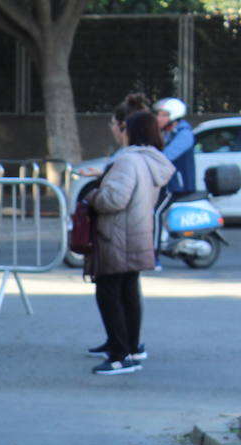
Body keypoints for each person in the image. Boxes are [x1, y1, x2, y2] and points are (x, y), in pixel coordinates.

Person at [85, 110, 174, 376]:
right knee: (128, 291)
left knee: (109, 292)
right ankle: (128, 346)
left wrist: (92, 194)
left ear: (132, 132)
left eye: (124, 128)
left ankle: (119, 355)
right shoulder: (151, 161)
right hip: (136, 231)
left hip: (117, 234)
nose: (121, 132)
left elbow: (114, 199)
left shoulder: (128, 161)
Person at [154, 96, 195, 195]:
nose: (158, 118)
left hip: (179, 191)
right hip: (167, 188)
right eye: (158, 115)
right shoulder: (167, 132)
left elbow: (165, 157)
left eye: (163, 115)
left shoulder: (184, 134)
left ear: (174, 116)